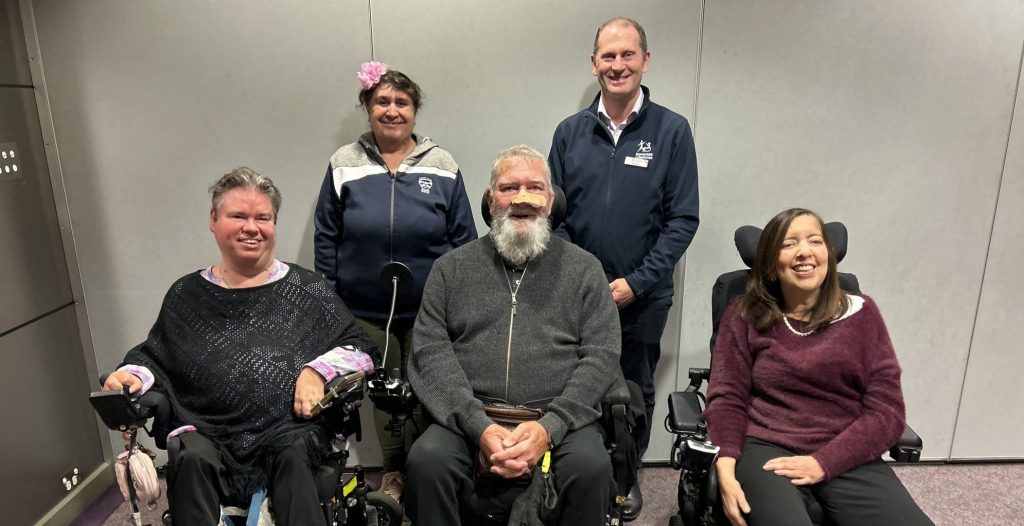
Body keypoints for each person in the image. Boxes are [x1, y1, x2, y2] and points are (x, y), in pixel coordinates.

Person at [103, 167, 379, 526]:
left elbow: (361, 348)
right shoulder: (187, 295)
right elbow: (154, 357)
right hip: (206, 429)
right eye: (238, 216)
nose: (252, 227)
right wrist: (130, 376)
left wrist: (316, 370)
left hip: (289, 428)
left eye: (263, 218)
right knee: (190, 456)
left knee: (296, 454)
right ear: (214, 221)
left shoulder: (305, 288)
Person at [404, 145, 621, 526]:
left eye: (535, 188)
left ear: (550, 201)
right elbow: (430, 353)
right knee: (426, 461)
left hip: (557, 416)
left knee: (592, 467)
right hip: (471, 413)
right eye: (509, 187)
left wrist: (548, 429)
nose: (522, 199)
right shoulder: (449, 270)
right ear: (490, 200)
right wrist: (479, 427)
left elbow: (602, 355)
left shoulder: (585, 270)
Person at [703, 208, 932, 526]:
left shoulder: (862, 314)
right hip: (765, 442)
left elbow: (887, 412)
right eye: (788, 244)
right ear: (770, 260)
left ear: (829, 253)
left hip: (845, 442)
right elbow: (728, 396)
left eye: (814, 241)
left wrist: (823, 462)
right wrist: (725, 459)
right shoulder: (743, 314)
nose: (804, 252)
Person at [314, 61, 477, 501]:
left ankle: (428, 470)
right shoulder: (344, 163)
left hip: (431, 307)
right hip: (365, 309)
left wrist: (462, 300)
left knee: (430, 387)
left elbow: (464, 240)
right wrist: (329, 298)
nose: (392, 110)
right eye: (382, 101)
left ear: (414, 111)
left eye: (401, 102)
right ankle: (393, 473)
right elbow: (327, 234)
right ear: (367, 108)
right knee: (385, 391)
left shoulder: (442, 165)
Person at [548, 18, 700, 490]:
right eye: (608, 56)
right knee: (575, 383)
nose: (618, 65)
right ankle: (581, 475)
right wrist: (588, 280)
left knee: (634, 388)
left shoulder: (673, 130)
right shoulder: (570, 132)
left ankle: (625, 477)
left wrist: (637, 282)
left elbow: (682, 220)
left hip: (644, 296)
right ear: (594, 64)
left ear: (645, 60)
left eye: (627, 55)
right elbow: (556, 216)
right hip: (576, 294)